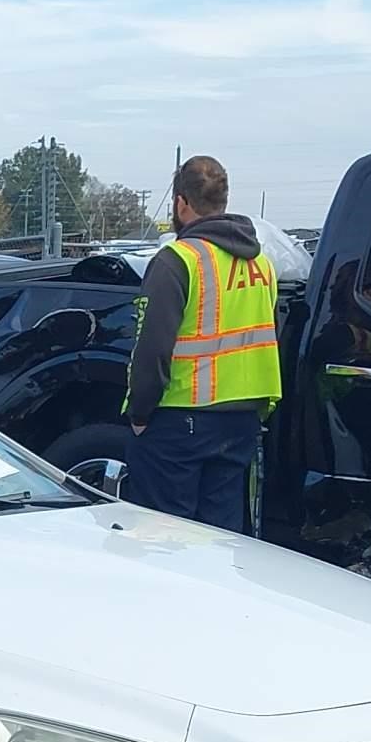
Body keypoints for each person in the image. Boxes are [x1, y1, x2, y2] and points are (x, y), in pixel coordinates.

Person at [122, 155, 283, 533]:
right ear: (223, 202)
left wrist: (140, 415)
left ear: (181, 203)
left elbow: (152, 349)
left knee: (164, 538)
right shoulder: (262, 263)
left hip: (180, 419)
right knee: (223, 539)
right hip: (242, 419)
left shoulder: (177, 260)